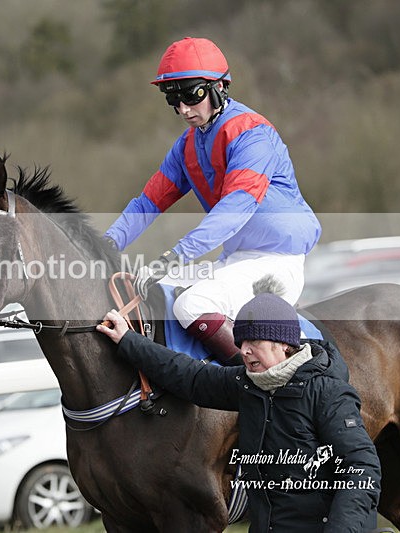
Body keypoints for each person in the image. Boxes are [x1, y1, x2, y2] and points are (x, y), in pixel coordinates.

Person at [103, 37, 321, 365]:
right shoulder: (186, 146)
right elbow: (147, 203)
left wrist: (175, 255)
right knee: (146, 290)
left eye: (193, 95)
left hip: (278, 261)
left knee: (190, 305)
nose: (184, 109)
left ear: (219, 87)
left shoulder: (252, 134)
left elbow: (236, 207)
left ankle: (249, 386)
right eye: (174, 100)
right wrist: (103, 244)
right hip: (236, 261)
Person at [96, 289, 382, 532]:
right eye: (241, 342)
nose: (243, 351)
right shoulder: (248, 385)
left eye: (253, 342)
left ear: (284, 344)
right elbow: (188, 375)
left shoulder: (328, 393)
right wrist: (128, 340)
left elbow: (362, 468)